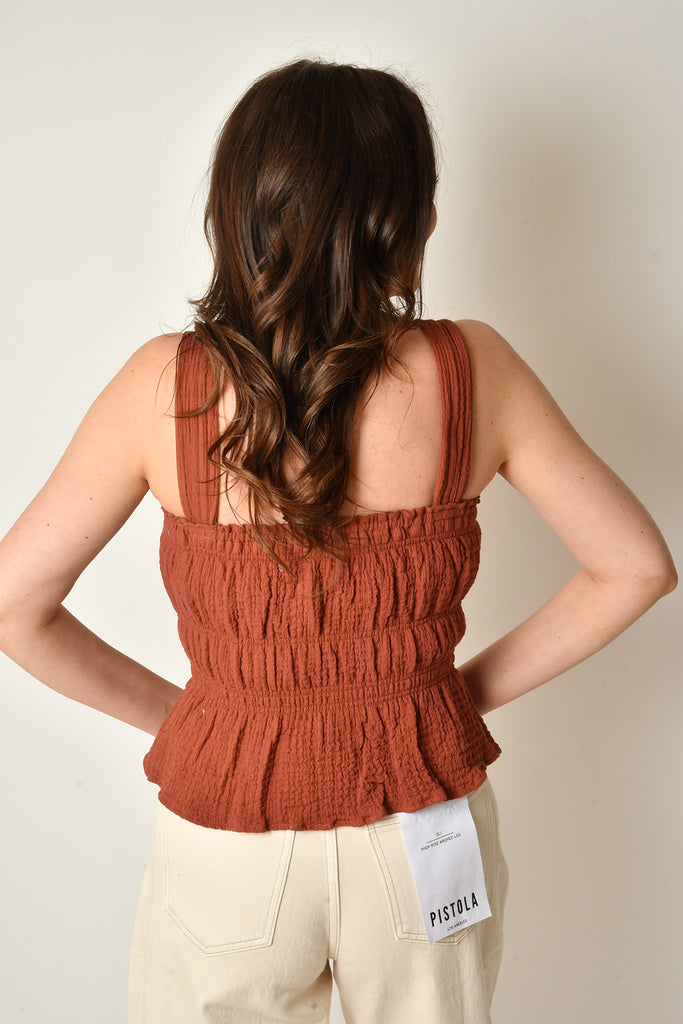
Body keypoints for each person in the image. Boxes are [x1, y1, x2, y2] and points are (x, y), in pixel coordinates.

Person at [0, 58, 676, 1024]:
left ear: (235, 213)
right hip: (421, 828)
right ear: (408, 225)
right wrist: (439, 704)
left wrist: (198, 722)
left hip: (230, 837)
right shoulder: (471, 370)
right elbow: (635, 566)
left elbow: (12, 604)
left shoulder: (165, 385)